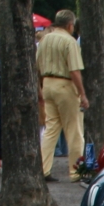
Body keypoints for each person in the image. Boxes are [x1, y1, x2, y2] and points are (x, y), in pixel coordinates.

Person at [38, 9, 87, 182]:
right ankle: (76, 172)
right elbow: (74, 71)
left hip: (47, 83)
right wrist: (83, 94)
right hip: (65, 84)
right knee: (74, 130)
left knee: (51, 129)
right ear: (70, 24)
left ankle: (43, 168)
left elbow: (36, 65)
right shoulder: (69, 41)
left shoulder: (44, 39)